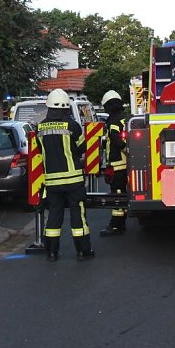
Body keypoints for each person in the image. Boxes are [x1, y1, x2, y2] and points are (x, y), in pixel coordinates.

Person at [35, 89, 95, 262]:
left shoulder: (39, 128)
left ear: (48, 106)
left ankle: (52, 253)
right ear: (66, 107)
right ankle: (83, 251)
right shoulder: (72, 126)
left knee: (54, 216)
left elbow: (39, 150)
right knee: (78, 215)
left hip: (52, 182)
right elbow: (82, 147)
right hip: (74, 180)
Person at [100, 90, 128, 236]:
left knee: (116, 195)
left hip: (118, 164)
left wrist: (124, 149)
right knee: (122, 193)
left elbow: (116, 140)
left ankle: (116, 225)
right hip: (126, 164)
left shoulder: (113, 121)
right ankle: (121, 222)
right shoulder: (125, 118)